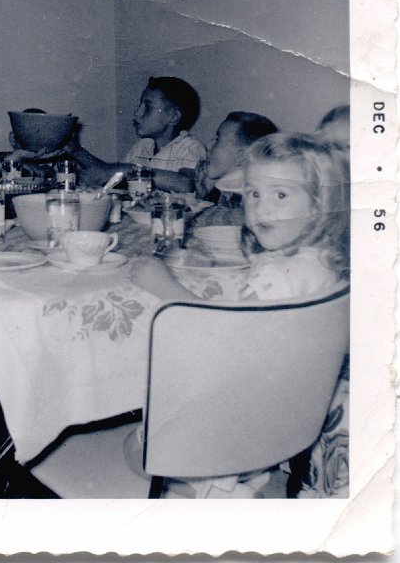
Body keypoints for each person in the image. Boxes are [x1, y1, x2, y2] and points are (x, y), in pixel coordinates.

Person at [131, 132, 350, 497]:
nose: (261, 209)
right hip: (293, 418)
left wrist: (165, 287)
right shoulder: (329, 263)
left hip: (243, 425)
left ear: (317, 205)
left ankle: (220, 492)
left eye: (280, 195)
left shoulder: (273, 276)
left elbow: (219, 338)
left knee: (135, 447)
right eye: (253, 194)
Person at [71, 76, 206, 192]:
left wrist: (117, 170)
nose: (137, 113)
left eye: (147, 107)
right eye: (139, 106)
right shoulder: (142, 147)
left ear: (173, 117)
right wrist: (75, 150)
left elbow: (188, 184)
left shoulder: (191, 149)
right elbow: (111, 174)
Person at [188, 111, 277, 230]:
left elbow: (202, 224)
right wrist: (204, 196)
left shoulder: (248, 202)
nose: (208, 145)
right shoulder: (227, 193)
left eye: (217, 140)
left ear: (242, 156)